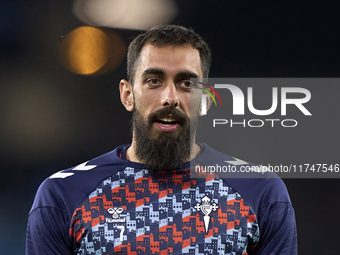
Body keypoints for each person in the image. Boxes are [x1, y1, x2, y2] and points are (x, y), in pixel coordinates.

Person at [26, 24, 297, 255]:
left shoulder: (261, 191)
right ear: (127, 95)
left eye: (187, 83)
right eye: (154, 80)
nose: (170, 97)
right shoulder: (62, 196)